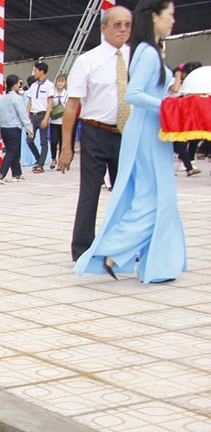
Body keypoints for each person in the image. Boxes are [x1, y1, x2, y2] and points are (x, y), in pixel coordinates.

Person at [75, 0, 185, 283]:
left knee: (156, 197)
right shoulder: (147, 53)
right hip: (146, 131)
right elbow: (133, 94)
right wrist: (167, 106)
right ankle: (112, 251)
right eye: (169, 15)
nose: (173, 21)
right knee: (156, 198)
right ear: (154, 18)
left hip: (152, 129)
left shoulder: (148, 51)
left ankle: (152, 262)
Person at [58, 5, 133, 261]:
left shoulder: (137, 58)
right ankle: (83, 250)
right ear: (103, 28)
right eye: (116, 24)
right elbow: (71, 107)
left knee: (127, 192)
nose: (122, 29)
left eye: (127, 24)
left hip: (127, 134)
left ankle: (125, 246)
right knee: (90, 192)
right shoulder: (87, 61)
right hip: (95, 133)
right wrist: (66, 148)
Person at [0, 75, 34, 184]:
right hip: (13, 128)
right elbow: (23, 115)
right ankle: (1, 174)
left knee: (13, 150)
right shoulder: (17, 98)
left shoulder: (2, 99)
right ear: (16, 84)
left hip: (4, 128)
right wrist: (29, 128)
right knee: (11, 151)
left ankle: (17, 174)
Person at [25, 61, 54, 172]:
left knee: (43, 141)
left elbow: (50, 102)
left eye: (35, 70)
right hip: (33, 116)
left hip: (42, 115)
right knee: (29, 140)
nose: (34, 73)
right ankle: (38, 160)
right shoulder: (33, 85)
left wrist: (46, 118)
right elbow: (30, 102)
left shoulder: (49, 85)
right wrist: (27, 116)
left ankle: (40, 165)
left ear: (42, 71)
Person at [48, 74, 69, 170]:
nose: (60, 83)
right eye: (59, 81)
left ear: (65, 83)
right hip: (54, 121)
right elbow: (49, 104)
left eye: (62, 81)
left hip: (64, 121)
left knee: (62, 142)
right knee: (53, 141)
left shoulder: (67, 94)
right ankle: (53, 158)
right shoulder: (52, 93)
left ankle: (60, 161)